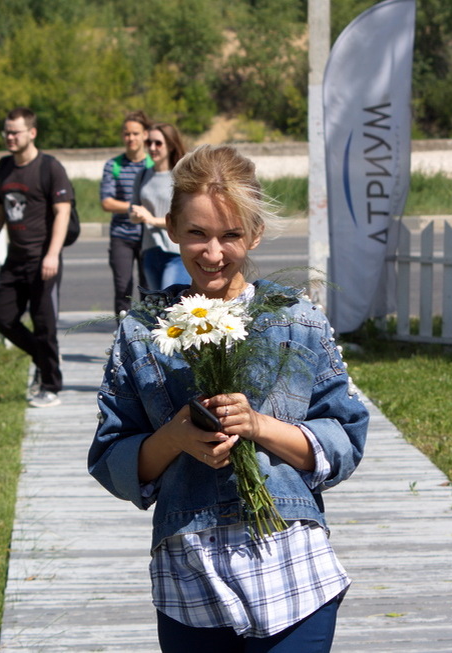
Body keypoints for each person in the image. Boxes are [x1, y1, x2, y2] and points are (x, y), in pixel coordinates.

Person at [88, 145, 369, 651]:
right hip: (189, 582)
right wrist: (173, 437)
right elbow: (113, 457)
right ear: (170, 227)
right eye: (196, 233)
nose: (212, 253)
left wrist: (257, 426)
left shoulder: (297, 321)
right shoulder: (141, 333)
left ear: (254, 233)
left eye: (230, 235)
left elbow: (345, 439)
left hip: (293, 578)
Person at [0, 107, 72, 409]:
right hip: (15, 259)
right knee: (4, 319)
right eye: (6, 131)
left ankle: (51, 386)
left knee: (44, 325)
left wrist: (53, 254)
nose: (9, 137)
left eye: (15, 132)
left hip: (42, 259)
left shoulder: (49, 168)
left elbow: (63, 211)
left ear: (31, 133)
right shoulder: (4, 167)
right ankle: (44, 357)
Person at [100, 110, 153, 316]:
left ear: (145, 135)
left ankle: (150, 338)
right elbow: (107, 202)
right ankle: (123, 340)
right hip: (121, 235)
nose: (131, 138)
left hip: (149, 236)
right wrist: (133, 208)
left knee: (150, 291)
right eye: (127, 133)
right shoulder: (113, 165)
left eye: (135, 133)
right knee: (123, 290)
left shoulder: (153, 165)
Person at [130, 123, 192, 290]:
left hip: (177, 252)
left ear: (171, 145)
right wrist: (136, 216)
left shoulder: (182, 176)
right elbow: (133, 212)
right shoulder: (143, 174)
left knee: (171, 305)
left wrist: (151, 220)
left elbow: (187, 219)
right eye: (148, 142)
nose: (152, 147)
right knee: (158, 309)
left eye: (158, 143)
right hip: (150, 251)